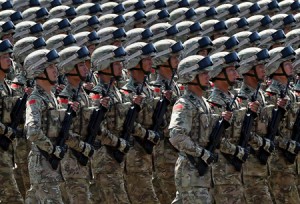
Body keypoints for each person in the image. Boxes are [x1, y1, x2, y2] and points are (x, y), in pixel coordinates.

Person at [169, 55, 231, 204]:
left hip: (202, 173)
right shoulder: (184, 104)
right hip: (190, 170)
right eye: (203, 73)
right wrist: (202, 153)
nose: (208, 76)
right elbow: (176, 136)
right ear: (191, 75)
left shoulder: (204, 102)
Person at [24, 48, 66, 203]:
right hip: (42, 164)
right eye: (50, 67)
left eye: (54, 66)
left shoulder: (52, 97)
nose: (55, 70)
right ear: (39, 70)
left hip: (52, 165)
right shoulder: (35, 99)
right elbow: (33, 131)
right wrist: (53, 149)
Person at [0, 39, 23, 203]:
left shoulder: (7, 86)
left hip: (7, 150)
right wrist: (8, 131)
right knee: (13, 198)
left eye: (9, 56)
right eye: (4, 56)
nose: (9, 60)